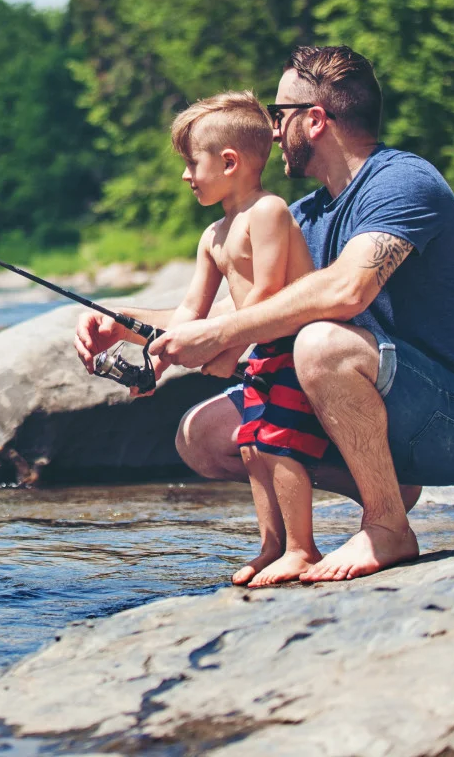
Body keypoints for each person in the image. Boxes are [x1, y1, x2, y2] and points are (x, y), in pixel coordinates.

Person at [74, 45, 454, 582]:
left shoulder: (402, 181)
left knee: (321, 345)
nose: (272, 128)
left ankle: (387, 527)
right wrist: (123, 323)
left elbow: (348, 289)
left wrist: (224, 338)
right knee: (202, 433)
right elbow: (239, 310)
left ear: (315, 119)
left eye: (279, 115)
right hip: (387, 405)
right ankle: (380, 487)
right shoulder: (304, 214)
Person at [120, 92, 330, 585]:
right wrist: (154, 367)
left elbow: (269, 290)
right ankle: (272, 547)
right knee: (253, 446)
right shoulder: (212, 236)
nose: (186, 176)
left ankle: (304, 549)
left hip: (293, 348)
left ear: (229, 161)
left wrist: (230, 346)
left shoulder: (270, 211)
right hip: (259, 351)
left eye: (192, 163)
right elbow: (192, 312)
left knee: (279, 445)